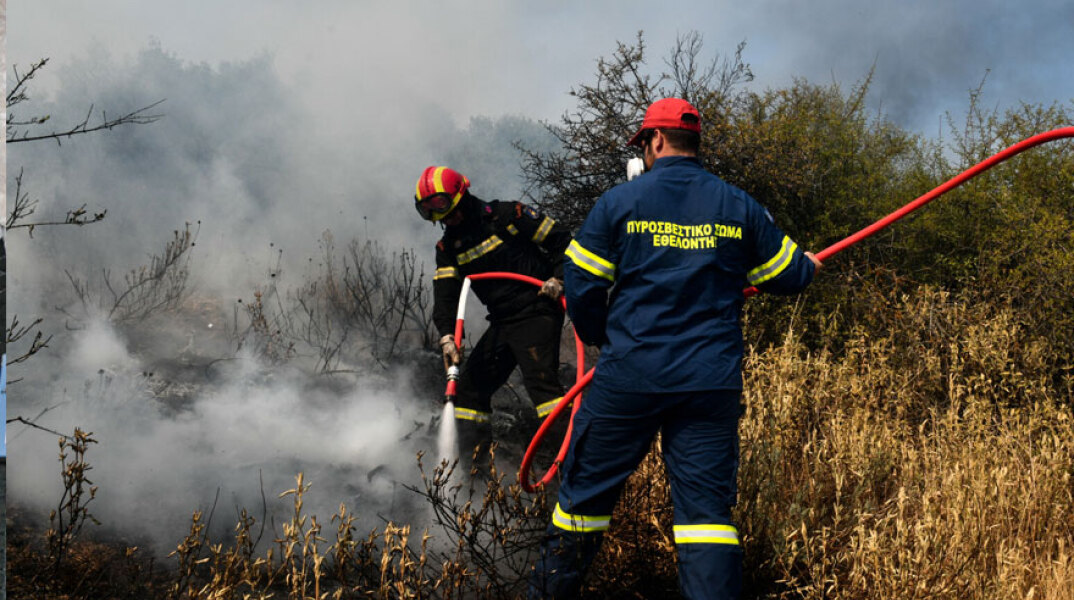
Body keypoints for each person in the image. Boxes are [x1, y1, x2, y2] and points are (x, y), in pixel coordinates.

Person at [530, 98, 822, 599]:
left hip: (631, 378)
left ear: (656, 141)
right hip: (708, 384)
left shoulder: (620, 203)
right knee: (706, 520)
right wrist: (809, 266)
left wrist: (601, 335)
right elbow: (787, 275)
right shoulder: (738, 204)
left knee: (582, 505)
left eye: (643, 144)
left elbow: (579, 281)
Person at [414, 166, 574, 469]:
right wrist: (447, 336)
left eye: (447, 211)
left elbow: (561, 239)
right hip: (502, 320)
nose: (446, 221)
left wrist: (559, 279)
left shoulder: (507, 215)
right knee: (470, 390)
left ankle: (570, 468)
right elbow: (446, 294)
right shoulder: (448, 248)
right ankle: (475, 475)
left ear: (462, 196)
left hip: (537, 306)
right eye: (435, 216)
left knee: (542, 388)